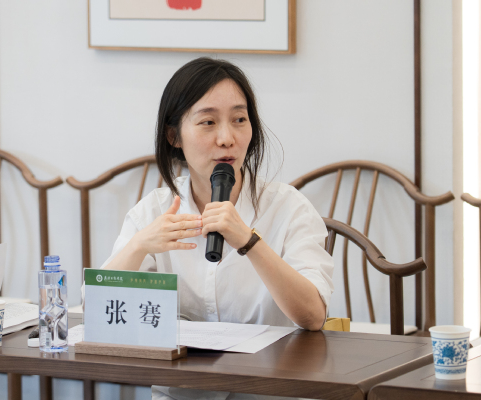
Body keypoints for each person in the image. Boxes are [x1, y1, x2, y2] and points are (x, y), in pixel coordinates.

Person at [99, 57, 334, 400]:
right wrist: (138, 246)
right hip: (182, 393)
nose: (227, 138)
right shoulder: (153, 212)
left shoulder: (288, 207)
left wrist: (249, 242)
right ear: (174, 136)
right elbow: (100, 311)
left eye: (239, 120)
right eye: (208, 122)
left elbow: (313, 316)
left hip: (271, 391)